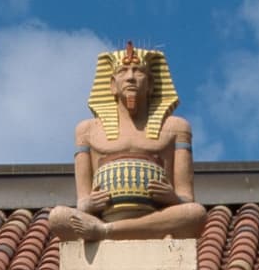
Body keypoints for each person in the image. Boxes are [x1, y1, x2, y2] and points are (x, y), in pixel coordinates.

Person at [49, 43, 202, 244]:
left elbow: (186, 199)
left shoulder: (177, 127)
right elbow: (83, 202)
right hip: (103, 215)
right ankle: (107, 227)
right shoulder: (86, 130)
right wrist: (89, 204)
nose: (130, 77)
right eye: (123, 71)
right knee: (57, 217)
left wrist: (172, 197)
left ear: (151, 84)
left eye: (138, 71)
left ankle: (107, 232)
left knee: (195, 214)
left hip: (157, 215)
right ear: (112, 84)